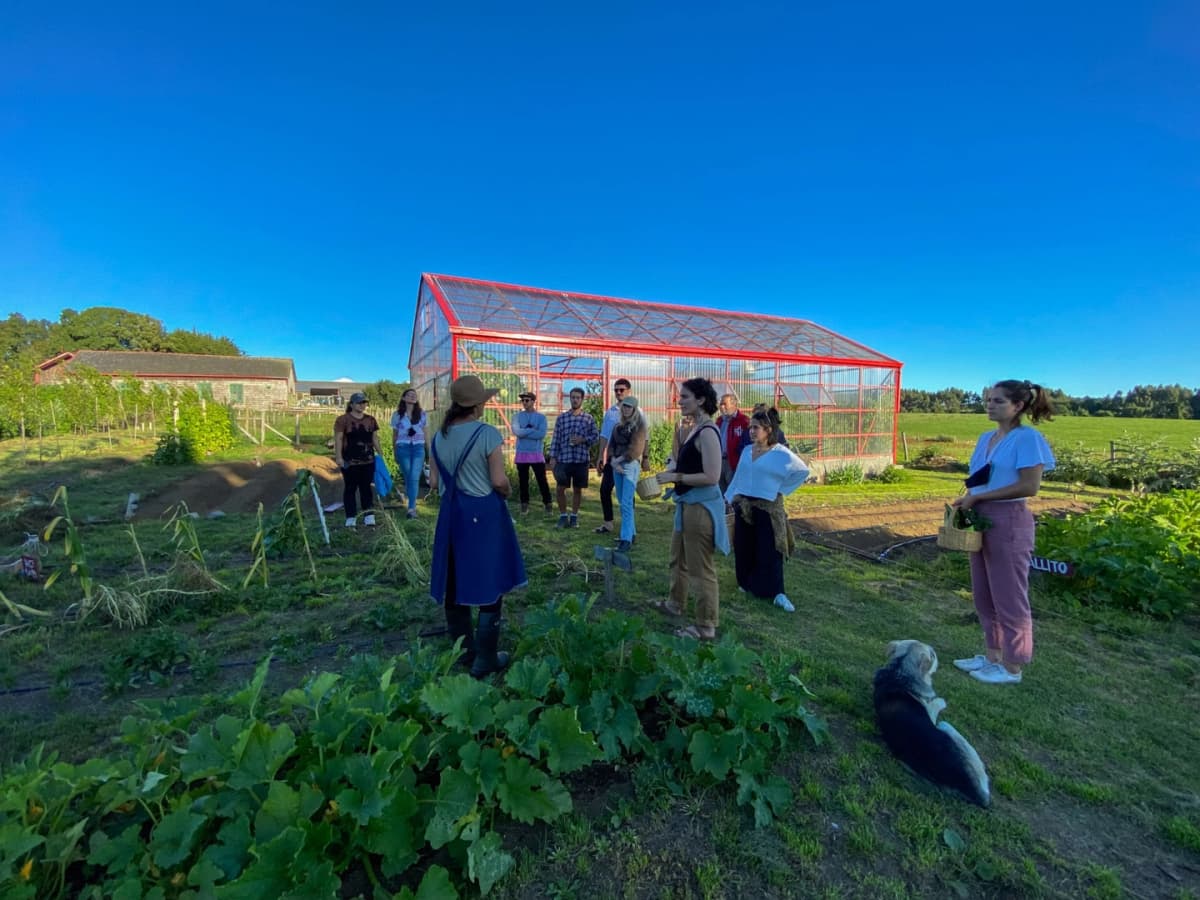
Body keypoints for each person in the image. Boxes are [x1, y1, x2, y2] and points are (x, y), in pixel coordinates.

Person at [951, 380, 1056, 686]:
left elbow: (1029, 486)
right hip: (979, 515)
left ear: (1018, 406)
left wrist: (980, 497)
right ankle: (992, 656)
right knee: (984, 593)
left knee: (1009, 595)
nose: (990, 405)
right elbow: (981, 478)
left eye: (998, 401)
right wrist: (968, 499)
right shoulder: (987, 438)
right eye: (988, 400)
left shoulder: (1027, 439)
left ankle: (1013, 666)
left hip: (1009, 518)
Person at [429, 375, 526, 678]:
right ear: (478, 405)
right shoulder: (487, 434)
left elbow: (432, 482)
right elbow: (498, 480)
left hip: (451, 515)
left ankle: (464, 652)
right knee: (490, 581)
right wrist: (508, 491)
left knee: (454, 583)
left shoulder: (438, 436)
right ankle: (486, 660)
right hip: (483, 515)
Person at [654, 378, 730, 641]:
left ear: (700, 400)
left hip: (701, 508)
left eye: (685, 396)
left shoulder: (708, 432)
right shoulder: (696, 429)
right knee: (678, 559)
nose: (680, 401)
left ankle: (706, 625)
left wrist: (678, 478)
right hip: (688, 506)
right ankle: (676, 603)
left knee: (701, 568)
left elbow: (711, 475)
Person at [725, 410, 810, 612]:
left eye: (756, 427)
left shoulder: (781, 453)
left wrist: (780, 489)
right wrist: (728, 497)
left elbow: (802, 471)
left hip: (767, 508)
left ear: (768, 430)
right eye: (750, 427)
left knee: (770, 549)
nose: (751, 431)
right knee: (744, 546)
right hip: (745, 505)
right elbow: (739, 476)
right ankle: (747, 584)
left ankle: (777, 592)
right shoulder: (747, 451)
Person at [548, 387, 599, 529]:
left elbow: (595, 436)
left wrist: (582, 440)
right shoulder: (562, 418)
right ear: (569, 399)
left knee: (578, 489)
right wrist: (553, 457)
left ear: (582, 399)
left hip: (581, 459)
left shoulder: (588, 418)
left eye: (578, 397)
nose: (575, 400)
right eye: (572, 397)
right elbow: (556, 438)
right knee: (560, 488)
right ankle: (563, 516)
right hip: (564, 458)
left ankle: (574, 516)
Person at [334, 392, 382, 528]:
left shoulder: (371, 420)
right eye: (359, 402)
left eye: (364, 403)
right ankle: (351, 516)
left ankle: (369, 515)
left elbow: (374, 438)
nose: (362, 405)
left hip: (368, 460)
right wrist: (338, 457)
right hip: (349, 460)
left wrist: (380, 454)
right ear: (352, 404)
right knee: (350, 488)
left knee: (366, 488)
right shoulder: (343, 420)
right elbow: (338, 438)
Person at [608, 395, 648, 552]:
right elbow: (611, 444)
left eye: (629, 407)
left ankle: (625, 539)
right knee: (622, 501)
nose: (626, 409)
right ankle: (631, 533)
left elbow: (636, 448)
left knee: (626, 503)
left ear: (634, 409)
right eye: (624, 406)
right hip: (616, 464)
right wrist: (612, 460)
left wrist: (619, 461)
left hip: (630, 464)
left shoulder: (639, 426)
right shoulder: (618, 426)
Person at [594, 379, 632, 534]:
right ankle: (608, 523)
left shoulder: (637, 411)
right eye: (616, 390)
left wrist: (644, 457)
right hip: (612, 458)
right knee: (604, 490)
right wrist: (600, 456)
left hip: (628, 459)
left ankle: (629, 526)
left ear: (629, 391)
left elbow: (644, 436)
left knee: (626, 495)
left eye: (621, 390)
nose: (618, 393)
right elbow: (604, 435)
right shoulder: (610, 412)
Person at [512, 391, 553, 514]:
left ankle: (548, 504)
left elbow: (541, 434)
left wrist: (524, 431)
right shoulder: (517, 416)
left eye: (527, 400)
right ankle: (524, 505)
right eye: (522, 400)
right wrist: (531, 430)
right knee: (523, 481)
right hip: (522, 453)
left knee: (542, 480)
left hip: (536, 453)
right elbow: (516, 432)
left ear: (533, 401)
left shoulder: (541, 417)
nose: (524, 402)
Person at [391, 388, 428, 519]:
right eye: (409, 395)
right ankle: (410, 501)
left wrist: (427, 449)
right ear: (403, 398)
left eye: (414, 395)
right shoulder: (397, 415)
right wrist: (394, 451)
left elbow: (425, 432)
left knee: (414, 476)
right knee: (408, 476)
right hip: (403, 447)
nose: (412, 397)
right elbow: (394, 434)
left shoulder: (422, 414)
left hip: (418, 447)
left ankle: (411, 508)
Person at [717, 393, 750, 493]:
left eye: (724, 404)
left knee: (733, 493)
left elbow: (748, 444)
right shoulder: (719, 421)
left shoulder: (744, 421)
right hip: (719, 462)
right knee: (720, 492)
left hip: (734, 463)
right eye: (720, 404)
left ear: (733, 404)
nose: (721, 407)